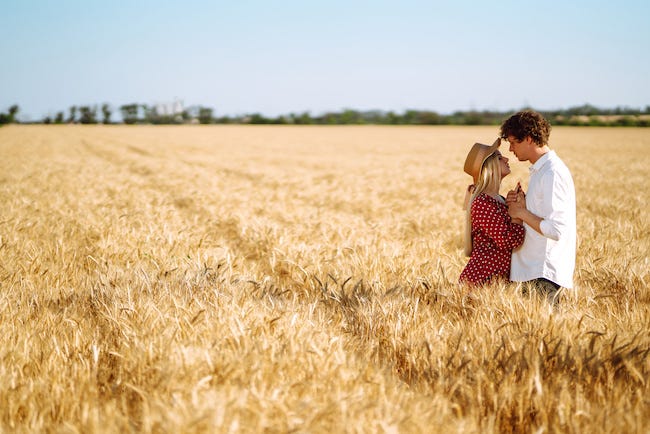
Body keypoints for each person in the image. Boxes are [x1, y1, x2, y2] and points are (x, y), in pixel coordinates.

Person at [501, 110, 576, 303]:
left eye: (513, 142)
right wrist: (524, 204)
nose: (510, 149)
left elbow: (557, 229)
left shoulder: (552, 173)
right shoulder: (541, 170)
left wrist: (521, 212)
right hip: (534, 271)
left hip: (543, 273)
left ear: (528, 139)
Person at [459, 138, 525, 286]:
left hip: (495, 280)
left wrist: (517, 204)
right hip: (483, 280)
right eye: (500, 157)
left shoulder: (498, 199)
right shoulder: (483, 203)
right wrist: (518, 215)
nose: (507, 158)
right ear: (490, 166)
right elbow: (508, 240)